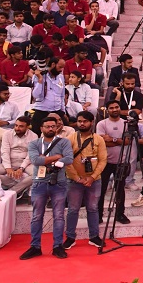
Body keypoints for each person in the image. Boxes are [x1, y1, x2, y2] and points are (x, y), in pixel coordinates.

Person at [20, 115, 74, 260]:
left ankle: (57, 246)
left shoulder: (64, 142)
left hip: (59, 182)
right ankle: (35, 246)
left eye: (53, 126)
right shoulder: (34, 143)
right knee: (37, 216)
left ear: (57, 127)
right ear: (41, 129)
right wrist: (56, 157)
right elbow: (35, 160)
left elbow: (69, 159)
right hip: (39, 182)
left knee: (59, 216)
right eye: (48, 126)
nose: (51, 129)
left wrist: (47, 160)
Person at [62, 111, 106, 250]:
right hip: (74, 181)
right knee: (73, 209)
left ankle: (94, 237)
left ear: (92, 122)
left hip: (94, 180)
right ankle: (70, 237)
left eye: (85, 121)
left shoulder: (99, 139)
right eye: (80, 121)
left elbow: (103, 160)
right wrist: (77, 178)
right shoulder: (70, 138)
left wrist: (92, 177)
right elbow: (67, 161)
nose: (82, 123)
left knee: (93, 209)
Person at [0, 115, 37, 197]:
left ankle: (12, 191)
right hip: (10, 160)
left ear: (28, 127)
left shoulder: (33, 136)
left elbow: (30, 155)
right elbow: (5, 152)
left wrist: (21, 168)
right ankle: (19, 187)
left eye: (21, 126)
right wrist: (8, 167)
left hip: (26, 162)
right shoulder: (7, 134)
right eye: (16, 125)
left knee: (37, 174)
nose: (17, 128)